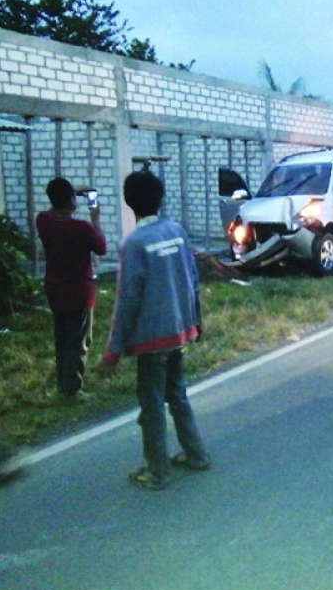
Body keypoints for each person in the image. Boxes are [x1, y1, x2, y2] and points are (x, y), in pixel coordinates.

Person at [98, 171, 210, 490]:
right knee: (177, 395)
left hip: (151, 340)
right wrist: (196, 323)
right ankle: (196, 455)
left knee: (151, 406)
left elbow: (127, 300)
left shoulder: (134, 243)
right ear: (161, 198)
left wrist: (113, 351)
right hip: (179, 332)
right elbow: (193, 280)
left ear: (129, 202)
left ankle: (157, 471)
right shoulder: (176, 231)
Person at [36, 178, 107, 404]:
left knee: (62, 338)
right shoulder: (82, 228)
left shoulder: (44, 221)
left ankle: (62, 384)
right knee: (78, 342)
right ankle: (72, 390)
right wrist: (95, 219)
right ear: (71, 200)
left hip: (55, 290)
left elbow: (53, 207)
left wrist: (70, 194)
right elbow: (102, 248)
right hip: (79, 292)